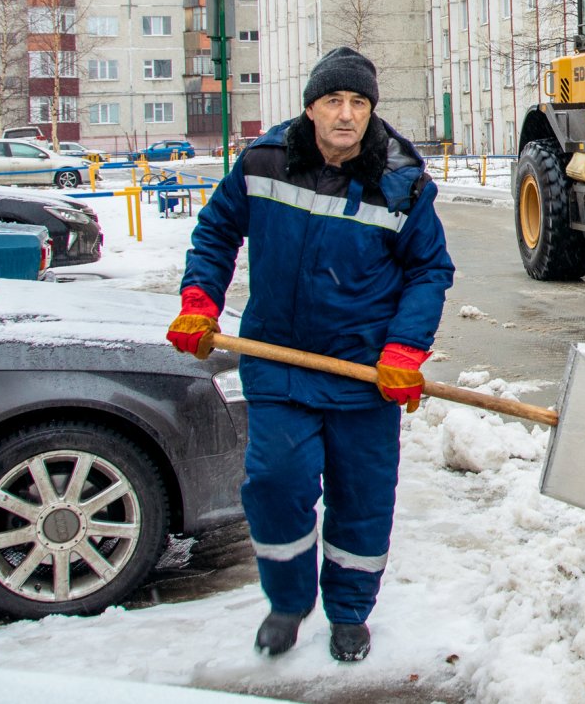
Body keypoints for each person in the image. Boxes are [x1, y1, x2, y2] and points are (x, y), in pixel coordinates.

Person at [166, 46, 454, 662]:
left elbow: (429, 270)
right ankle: (289, 601)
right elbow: (217, 231)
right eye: (334, 102)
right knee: (275, 484)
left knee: (362, 496)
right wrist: (199, 302)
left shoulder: (402, 180)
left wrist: (405, 350)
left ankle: (349, 612)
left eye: (358, 103)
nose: (347, 115)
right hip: (279, 362)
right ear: (311, 107)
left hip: (362, 372)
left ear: (371, 110)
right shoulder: (265, 160)